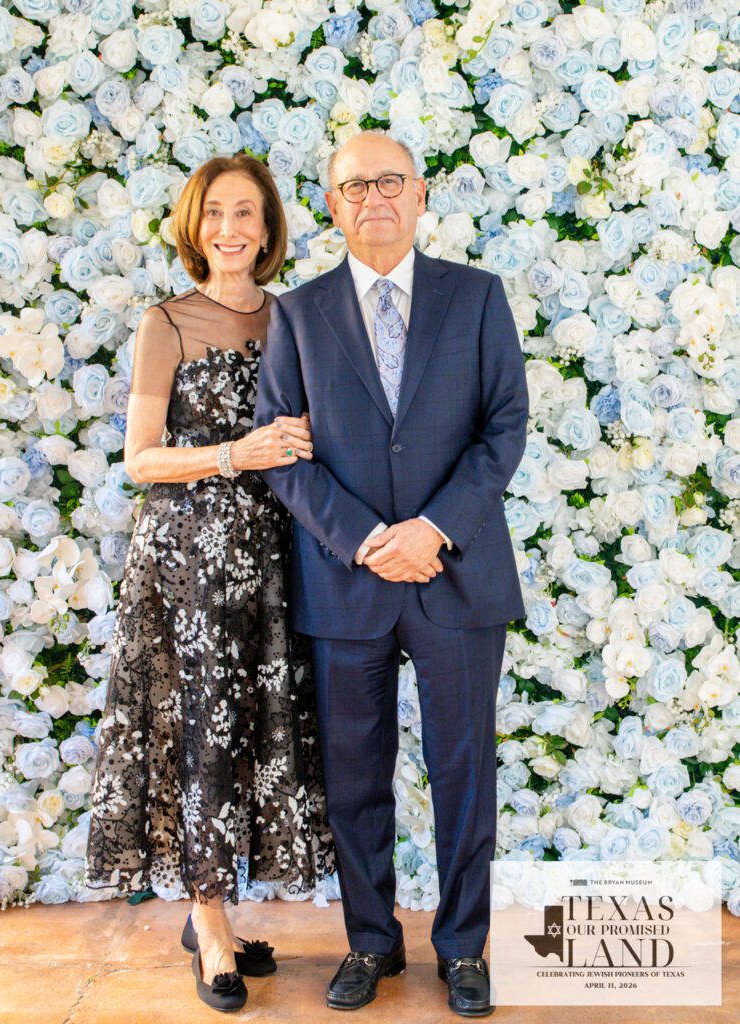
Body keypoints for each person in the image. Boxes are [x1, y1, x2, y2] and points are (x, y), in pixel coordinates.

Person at [254, 130, 529, 1018]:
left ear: (421, 194)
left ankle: (464, 949)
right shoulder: (296, 315)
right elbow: (282, 454)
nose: (373, 197)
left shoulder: (477, 297)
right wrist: (369, 539)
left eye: (390, 181)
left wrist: (434, 530)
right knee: (355, 778)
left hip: (455, 576)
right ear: (330, 205)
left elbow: (504, 428)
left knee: (463, 772)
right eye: (352, 185)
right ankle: (371, 942)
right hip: (348, 582)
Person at [83, 153, 334, 1013]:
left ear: (268, 232)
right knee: (199, 734)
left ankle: (215, 903)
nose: (230, 229)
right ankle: (209, 920)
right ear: (194, 226)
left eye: (247, 215)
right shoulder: (168, 321)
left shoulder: (297, 318)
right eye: (215, 213)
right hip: (188, 560)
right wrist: (235, 454)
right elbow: (139, 459)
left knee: (260, 733)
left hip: (275, 557)